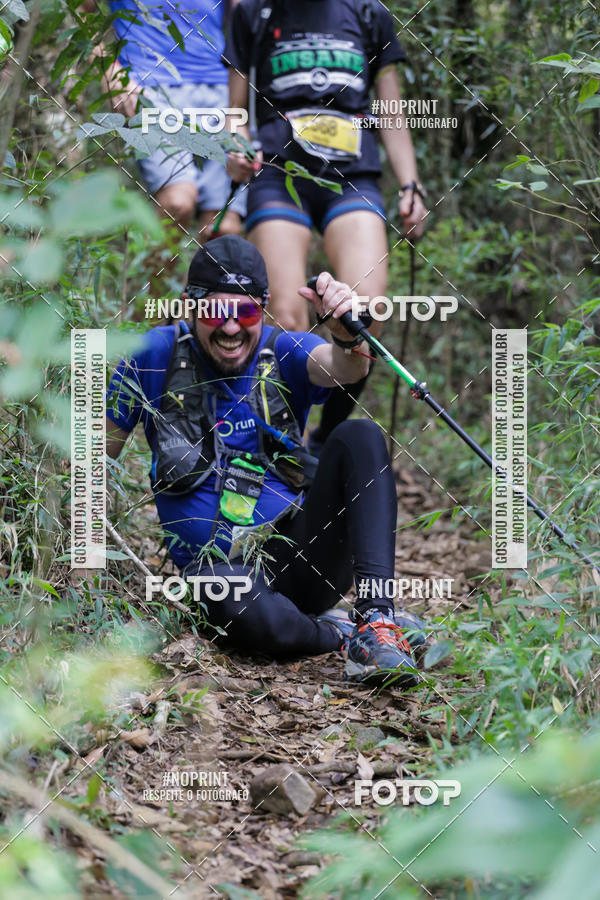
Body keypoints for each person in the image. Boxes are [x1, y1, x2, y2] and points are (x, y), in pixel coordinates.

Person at [105, 235, 425, 686]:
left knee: (360, 435)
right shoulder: (151, 356)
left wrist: (344, 332)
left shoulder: (282, 352)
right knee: (226, 599)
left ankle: (376, 617)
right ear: (190, 306)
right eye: (216, 312)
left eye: (247, 312)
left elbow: (347, 368)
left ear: (265, 307)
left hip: (301, 561)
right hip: (221, 576)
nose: (232, 328)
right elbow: (94, 459)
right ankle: (341, 633)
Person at [223, 0, 428, 449]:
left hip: (352, 176)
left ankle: (324, 441)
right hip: (278, 173)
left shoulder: (369, 12)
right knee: (286, 316)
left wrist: (411, 185)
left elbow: (392, 111)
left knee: (363, 316)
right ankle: (283, 449)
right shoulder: (253, 12)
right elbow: (236, 106)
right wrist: (235, 146)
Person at [84, 0, 245, 239]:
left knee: (223, 226)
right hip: (149, 85)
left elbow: (246, 18)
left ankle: (198, 278)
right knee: (177, 202)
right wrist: (110, 70)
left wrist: (237, 112)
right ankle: (153, 277)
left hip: (218, 87)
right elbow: (82, 10)